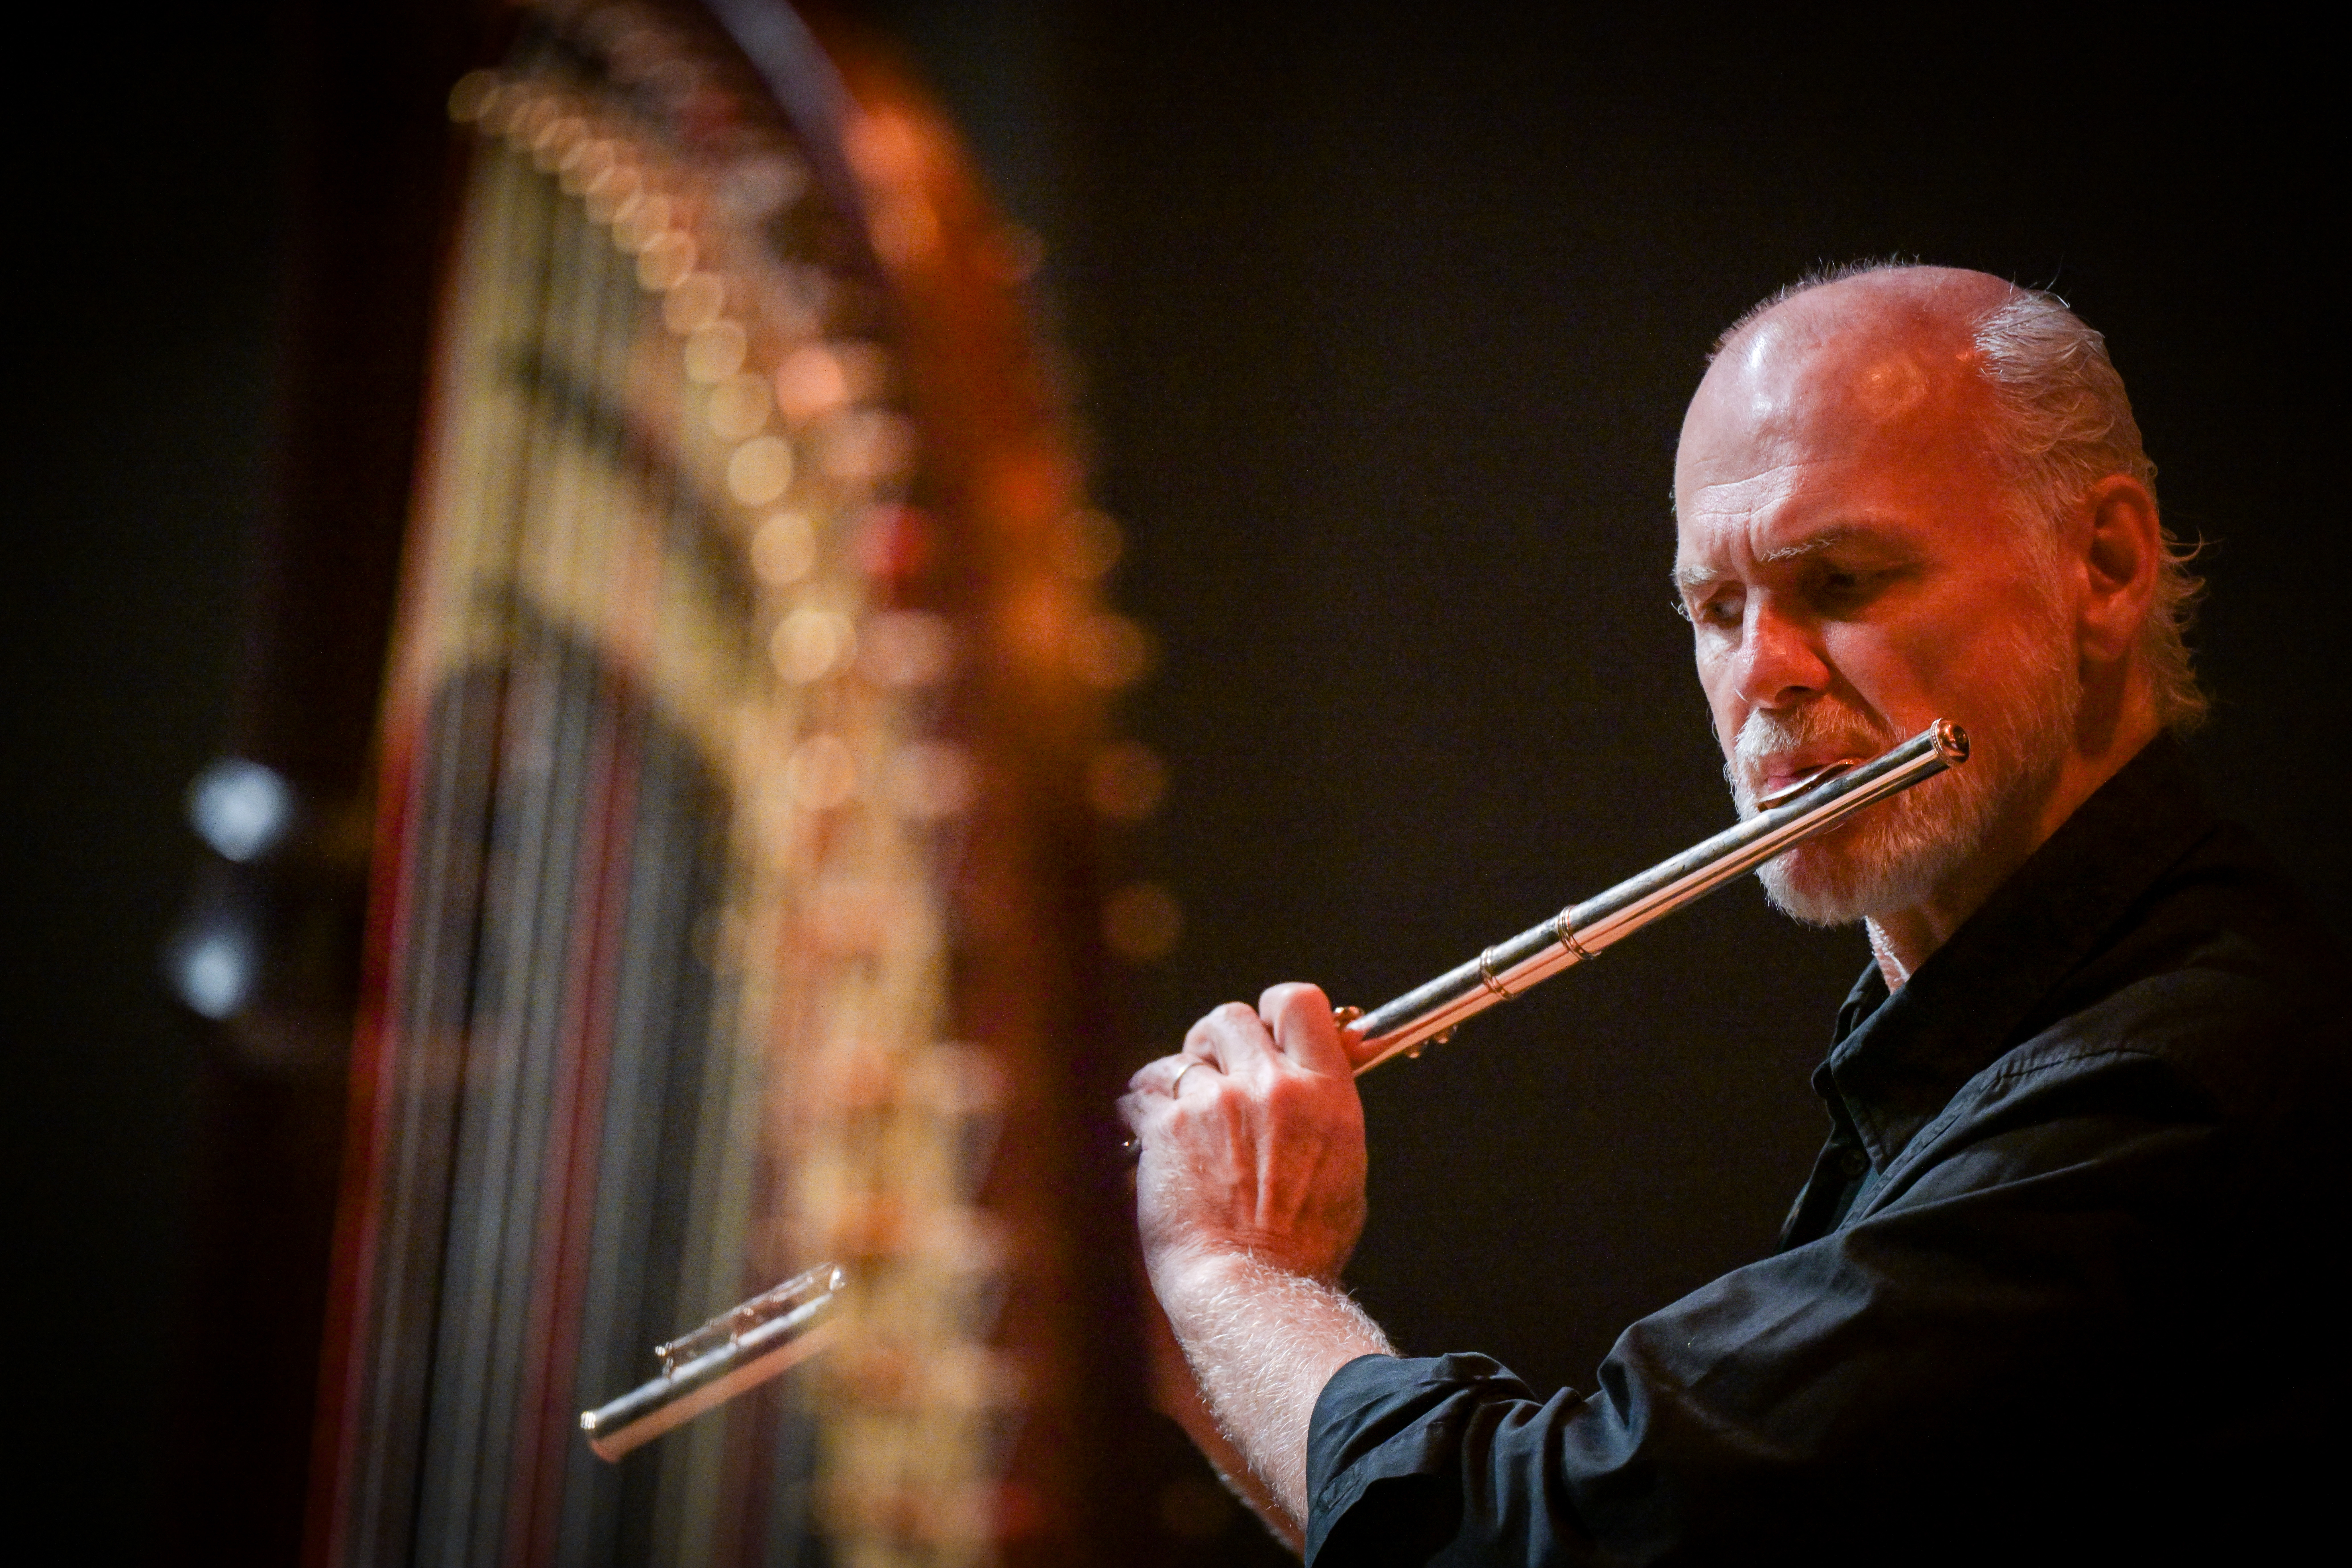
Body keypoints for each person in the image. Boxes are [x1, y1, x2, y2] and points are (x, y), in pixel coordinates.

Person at [1117, 263, 2345, 1562]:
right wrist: (1174, 1310)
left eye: (1846, 581)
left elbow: (1553, 1534)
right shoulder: (1966, 1045)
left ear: (2104, 565)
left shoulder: (2174, 1086)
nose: (1762, 671)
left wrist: (1242, 1279)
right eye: (1717, 608)